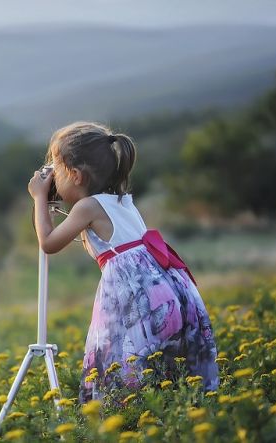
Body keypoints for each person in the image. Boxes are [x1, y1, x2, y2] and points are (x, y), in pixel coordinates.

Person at [27, 121, 218, 403]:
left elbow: (49, 243)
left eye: (56, 167)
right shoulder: (121, 200)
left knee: (121, 364)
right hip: (171, 293)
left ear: (76, 175)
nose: (52, 175)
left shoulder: (87, 207)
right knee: (165, 371)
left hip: (136, 300)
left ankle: (124, 420)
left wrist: (38, 198)